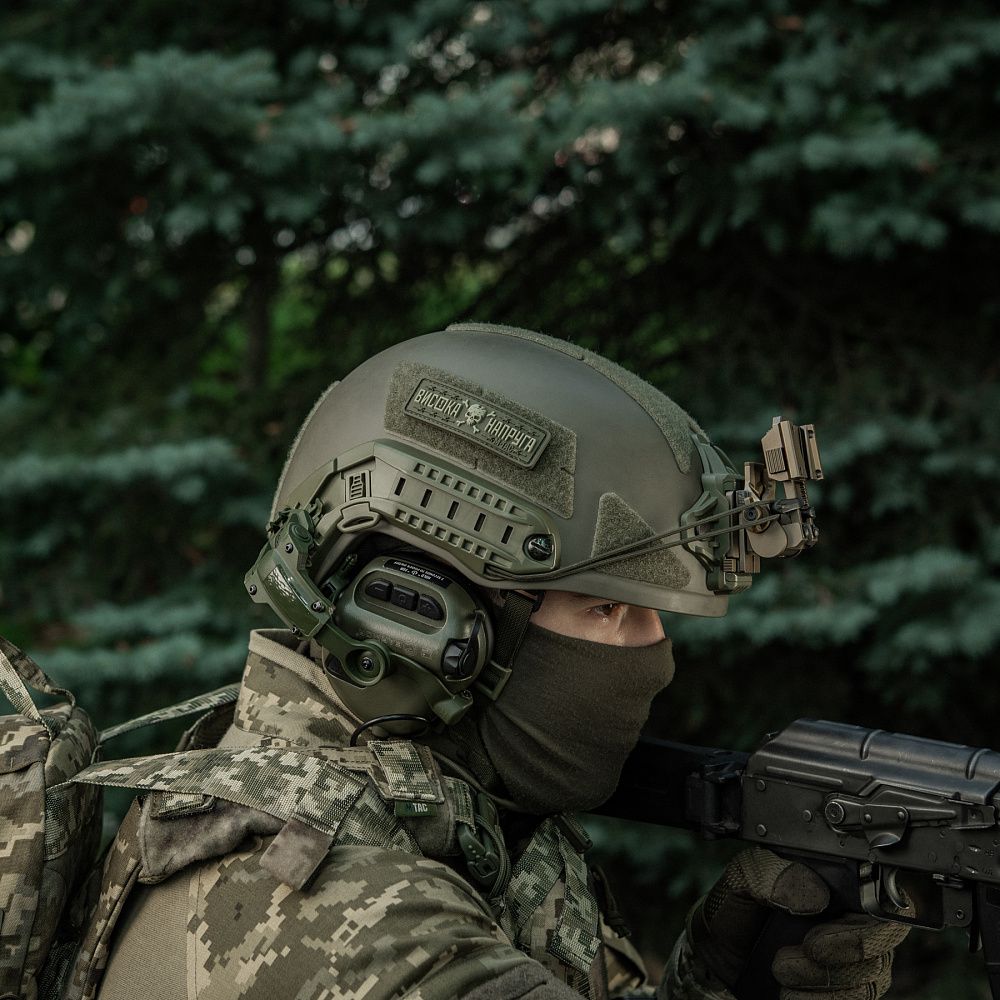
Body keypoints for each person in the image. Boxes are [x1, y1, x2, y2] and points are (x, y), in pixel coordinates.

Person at [92, 323, 908, 1000]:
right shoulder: (347, 916)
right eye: (607, 609)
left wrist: (728, 977)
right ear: (409, 612)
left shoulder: (454, 816)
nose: (655, 656)